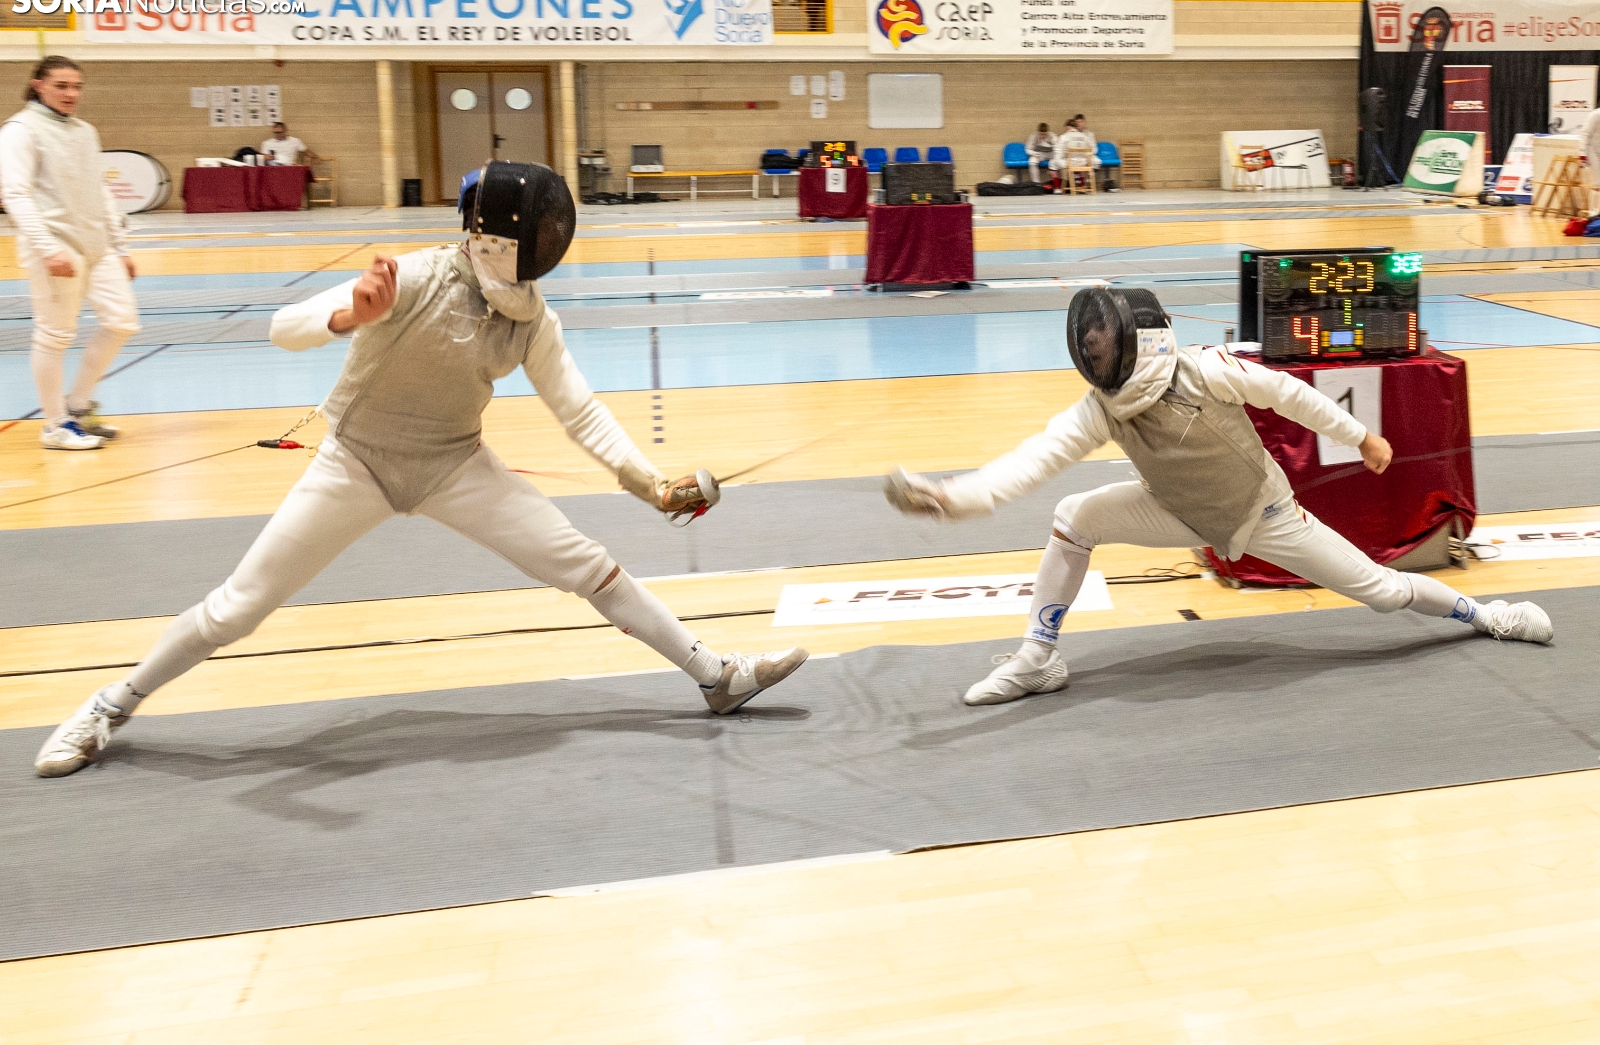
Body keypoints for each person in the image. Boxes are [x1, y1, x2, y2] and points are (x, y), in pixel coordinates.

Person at [34, 161, 809, 778]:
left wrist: (647, 483)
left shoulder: (530, 318)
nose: (548, 241)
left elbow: (579, 411)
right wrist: (351, 315)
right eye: (538, 229)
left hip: (453, 464)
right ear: (495, 234)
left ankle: (717, 677)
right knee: (237, 609)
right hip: (355, 462)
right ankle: (108, 706)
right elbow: (282, 327)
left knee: (589, 566)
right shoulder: (411, 276)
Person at [884, 287, 1553, 707]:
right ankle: (1037, 657)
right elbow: (1031, 462)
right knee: (1073, 517)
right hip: (1176, 511)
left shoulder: (1205, 369)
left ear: (1140, 337)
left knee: (1382, 591)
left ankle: (1487, 615)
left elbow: (1289, 394)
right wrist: (952, 498)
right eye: (1089, 340)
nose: (1092, 346)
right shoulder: (1102, 407)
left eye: (1102, 337)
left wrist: (1360, 436)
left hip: (1266, 515)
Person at [0, 55, 139, 451]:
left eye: (76, 86)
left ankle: (77, 406)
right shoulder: (20, 131)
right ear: (38, 85)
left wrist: (118, 245)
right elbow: (15, 194)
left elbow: (100, 191)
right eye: (61, 86)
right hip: (55, 246)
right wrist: (47, 248)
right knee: (55, 334)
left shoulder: (84, 131)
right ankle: (54, 425)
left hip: (96, 245)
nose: (71, 93)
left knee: (122, 322)